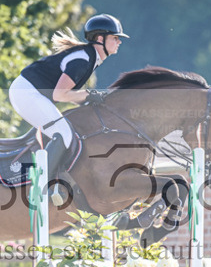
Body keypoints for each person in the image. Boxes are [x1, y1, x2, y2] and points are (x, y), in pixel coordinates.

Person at [9, 14, 128, 202]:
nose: (119, 41)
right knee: (64, 134)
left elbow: (69, 96)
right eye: (115, 37)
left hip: (30, 93)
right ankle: (40, 186)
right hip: (27, 94)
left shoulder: (89, 57)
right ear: (100, 39)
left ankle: (52, 180)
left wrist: (90, 99)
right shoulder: (83, 59)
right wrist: (89, 95)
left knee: (65, 131)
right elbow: (60, 95)